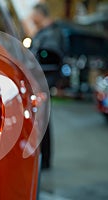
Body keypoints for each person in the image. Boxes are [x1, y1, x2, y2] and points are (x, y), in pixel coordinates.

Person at [30, 3, 64, 169]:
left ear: (40, 14)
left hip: (44, 80)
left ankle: (45, 160)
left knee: (42, 119)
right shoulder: (44, 32)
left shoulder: (51, 34)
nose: (31, 18)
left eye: (33, 14)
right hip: (41, 79)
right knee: (42, 118)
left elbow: (50, 58)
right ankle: (43, 158)